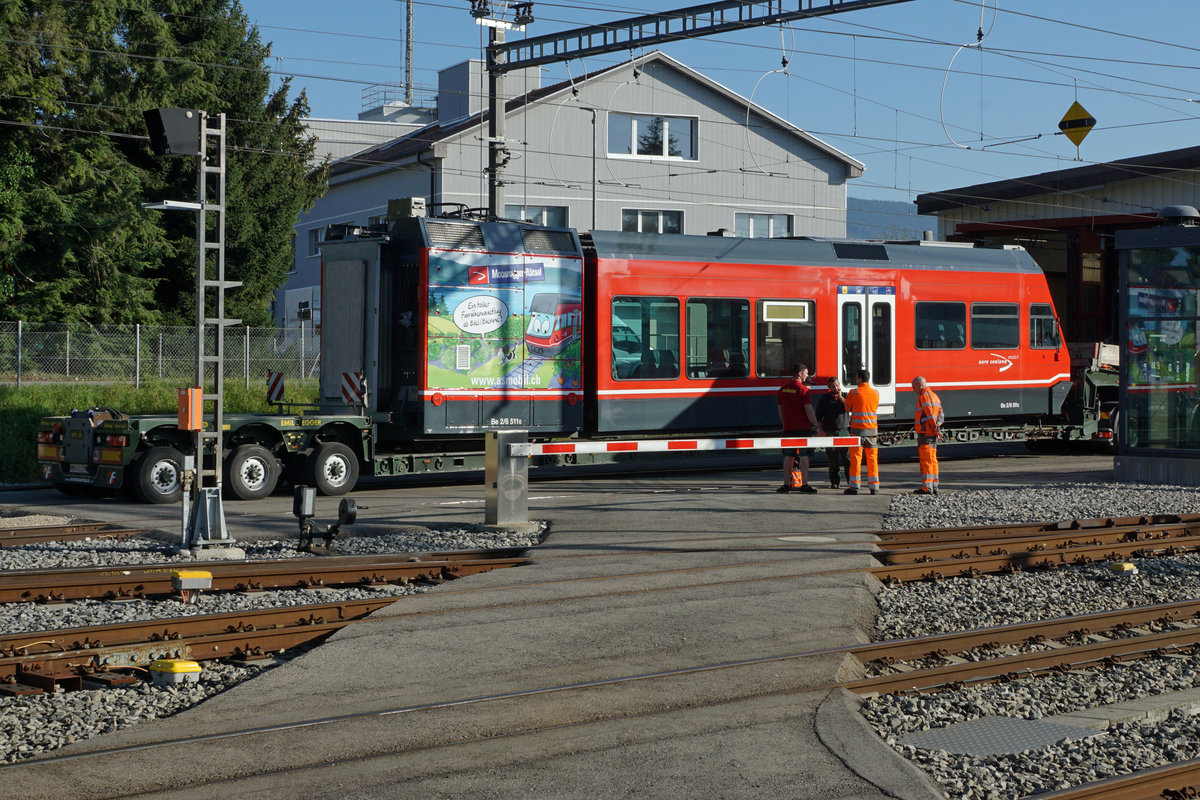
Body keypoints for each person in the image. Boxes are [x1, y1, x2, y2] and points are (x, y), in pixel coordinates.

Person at [776, 363, 819, 494]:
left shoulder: (783, 389)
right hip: (803, 429)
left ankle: (786, 485)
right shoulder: (803, 390)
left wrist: (785, 423)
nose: (807, 375)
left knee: (788, 456)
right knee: (804, 456)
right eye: (806, 373)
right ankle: (804, 485)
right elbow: (809, 411)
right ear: (800, 374)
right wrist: (816, 425)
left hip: (788, 429)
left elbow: (780, 409)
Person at [844, 368, 880, 495]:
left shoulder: (853, 392)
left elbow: (847, 408)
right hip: (872, 432)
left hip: (857, 432)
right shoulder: (876, 393)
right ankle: (874, 487)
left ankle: (854, 487)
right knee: (872, 460)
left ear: (859, 378)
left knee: (855, 460)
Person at [815, 375, 850, 489]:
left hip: (843, 431)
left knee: (847, 459)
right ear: (829, 387)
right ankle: (835, 482)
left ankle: (851, 482)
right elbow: (818, 417)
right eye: (833, 386)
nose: (836, 388)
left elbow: (850, 408)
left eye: (837, 385)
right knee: (832, 460)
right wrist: (821, 431)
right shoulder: (824, 399)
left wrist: (840, 397)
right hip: (830, 432)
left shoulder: (845, 396)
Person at [912, 375, 944, 495]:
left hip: (926, 433)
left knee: (926, 460)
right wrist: (938, 427)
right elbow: (941, 415)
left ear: (920, 385)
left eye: (913, 386)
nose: (913, 389)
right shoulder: (935, 396)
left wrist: (935, 430)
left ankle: (927, 487)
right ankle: (934, 484)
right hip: (932, 433)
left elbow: (930, 415)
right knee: (933, 460)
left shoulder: (924, 396)